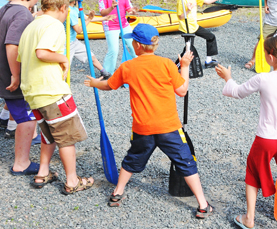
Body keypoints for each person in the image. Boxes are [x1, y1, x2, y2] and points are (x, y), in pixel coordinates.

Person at [85, 24, 213, 217]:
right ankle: (202, 204)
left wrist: (95, 82)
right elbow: (182, 90)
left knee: (132, 159)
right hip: (169, 127)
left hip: (142, 128)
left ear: (136, 45)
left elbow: (109, 85)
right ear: (155, 45)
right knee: (186, 162)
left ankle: (117, 192)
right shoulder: (167, 64)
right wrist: (184, 66)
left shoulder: (127, 67)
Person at [215, 34, 277, 229]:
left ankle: (249, 219)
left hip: (266, 138)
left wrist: (228, 78)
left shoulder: (263, 78)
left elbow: (237, 92)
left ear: (270, 57)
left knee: (253, 172)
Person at [18, 0, 93, 193]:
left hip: (32, 92)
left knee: (48, 134)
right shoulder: (54, 25)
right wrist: (63, 59)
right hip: (51, 91)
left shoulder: (31, 27)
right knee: (66, 137)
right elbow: (42, 52)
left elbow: (21, 58)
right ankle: (72, 181)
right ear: (63, 7)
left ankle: (43, 172)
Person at [0, 0, 44, 176]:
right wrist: (16, 75)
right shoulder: (21, 15)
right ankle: (21, 164)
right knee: (27, 118)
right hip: (8, 72)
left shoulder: (5, 8)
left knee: (26, 115)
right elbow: (12, 44)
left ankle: (22, 159)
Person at [176, 0, 228, 68]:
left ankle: (208, 61)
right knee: (189, 50)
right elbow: (180, 17)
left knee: (211, 37)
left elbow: (207, 2)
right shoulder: (181, 0)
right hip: (187, 28)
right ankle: (177, 66)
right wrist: (188, 10)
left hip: (194, 26)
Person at [62, 0, 112, 78]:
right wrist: (89, 19)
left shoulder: (74, 9)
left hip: (74, 41)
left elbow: (87, 18)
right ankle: (59, 84)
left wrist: (105, 18)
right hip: (67, 44)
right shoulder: (70, 12)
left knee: (90, 55)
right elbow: (79, 30)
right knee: (65, 66)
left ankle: (104, 73)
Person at [0, 0, 20, 138]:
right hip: (7, 60)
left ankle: (2, 118)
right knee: (16, 95)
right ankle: (12, 126)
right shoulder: (17, 12)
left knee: (9, 93)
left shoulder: (4, 9)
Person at [98, 0, 138, 74]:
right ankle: (108, 73)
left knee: (133, 45)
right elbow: (103, 13)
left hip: (124, 24)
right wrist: (111, 7)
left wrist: (132, 11)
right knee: (114, 50)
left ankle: (139, 68)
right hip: (111, 26)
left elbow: (128, 8)